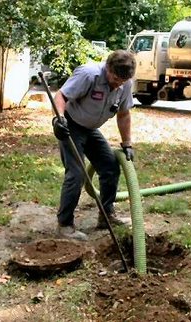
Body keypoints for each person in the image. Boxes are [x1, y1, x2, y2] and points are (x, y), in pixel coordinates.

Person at [52, 49, 136, 241]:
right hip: (71, 126)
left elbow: (123, 114)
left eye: (122, 81)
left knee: (110, 166)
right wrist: (58, 120)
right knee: (76, 173)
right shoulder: (89, 75)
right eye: (115, 79)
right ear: (108, 67)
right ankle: (64, 225)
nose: (118, 84)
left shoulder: (125, 83)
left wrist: (127, 144)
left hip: (91, 129)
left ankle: (106, 216)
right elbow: (61, 96)